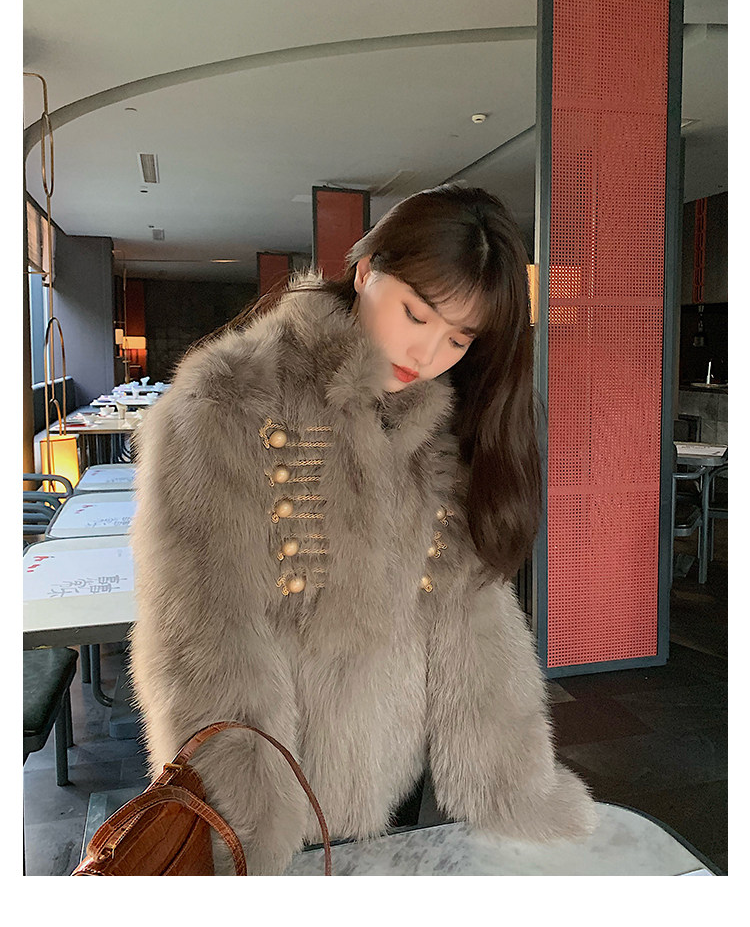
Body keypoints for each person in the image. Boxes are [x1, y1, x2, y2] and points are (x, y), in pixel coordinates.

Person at [129, 184, 597, 875]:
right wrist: (248, 826)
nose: (428, 352)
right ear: (367, 269)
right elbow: (204, 634)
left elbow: (471, 615)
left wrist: (512, 784)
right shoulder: (227, 402)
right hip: (278, 796)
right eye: (416, 313)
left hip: (403, 783)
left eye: (459, 339)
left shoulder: (442, 424)